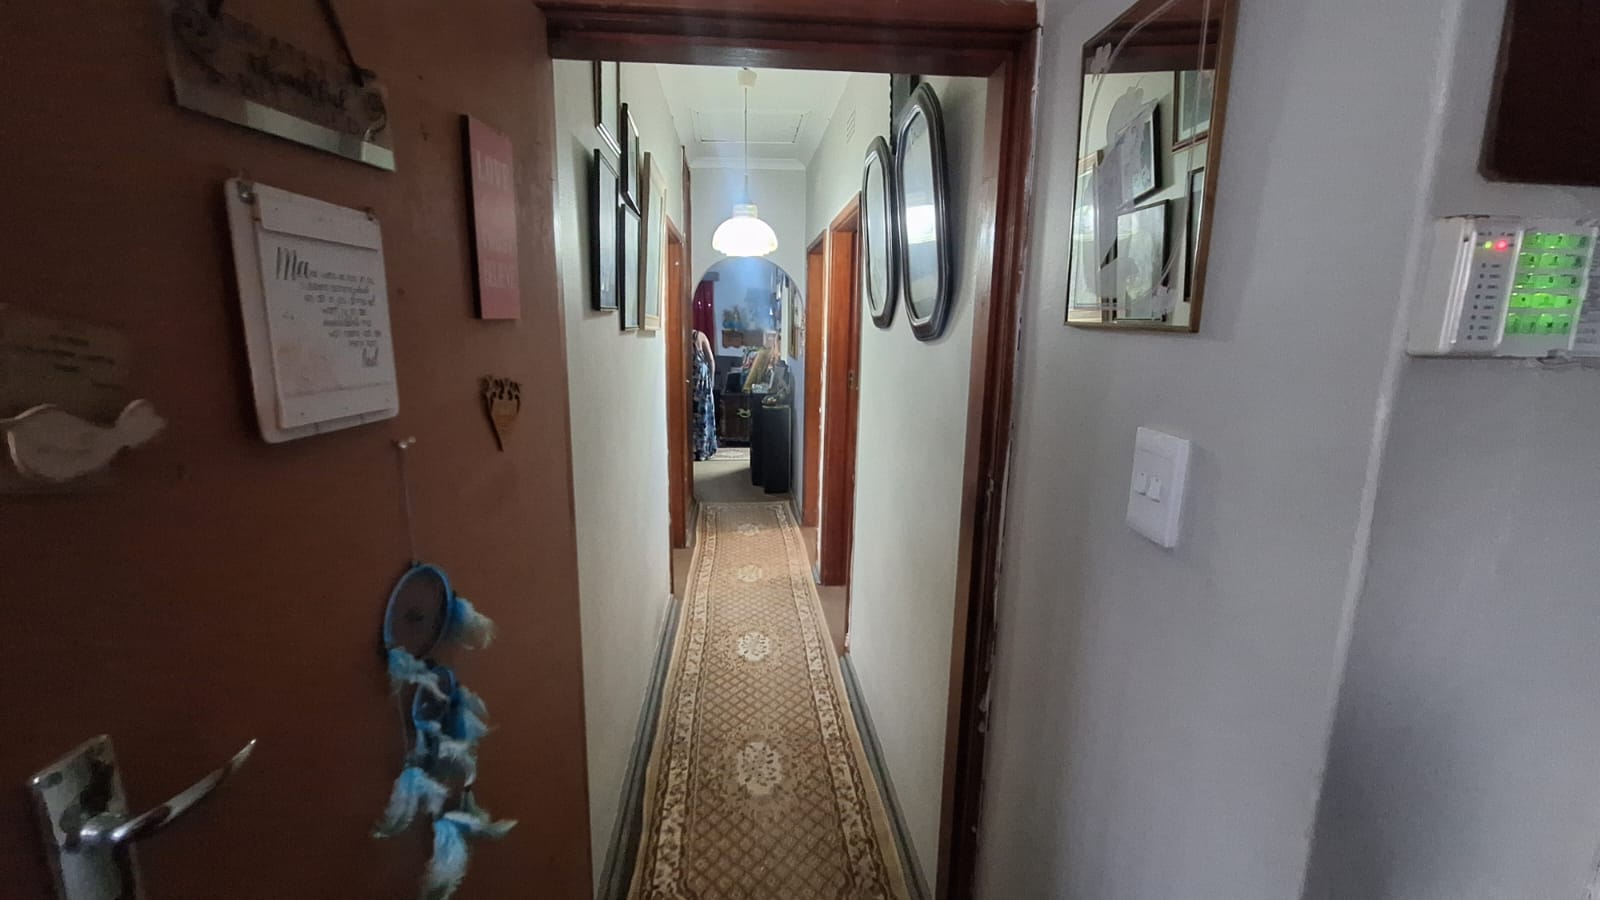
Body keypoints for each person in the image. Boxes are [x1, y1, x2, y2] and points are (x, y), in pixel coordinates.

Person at [690, 330, 718, 461]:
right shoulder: (700, 336)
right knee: (703, 414)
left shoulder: (681, 336)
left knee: (692, 415)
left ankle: (693, 448)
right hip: (701, 381)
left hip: (690, 380)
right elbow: (711, 360)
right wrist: (712, 381)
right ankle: (703, 449)